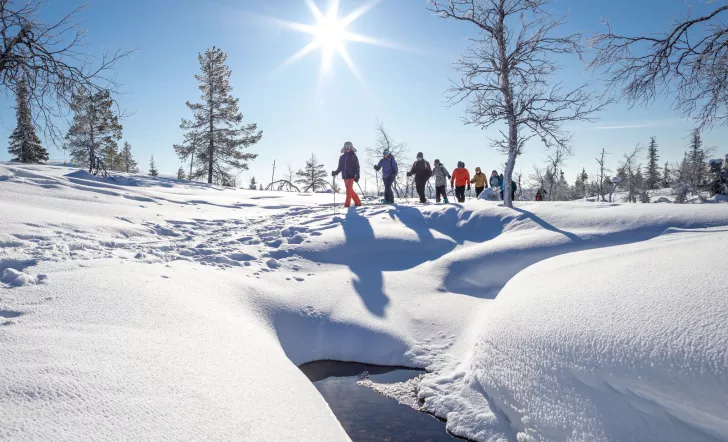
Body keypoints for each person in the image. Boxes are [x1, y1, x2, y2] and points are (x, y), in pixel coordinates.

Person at [331, 141, 361, 207]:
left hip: (351, 176)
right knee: (350, 191)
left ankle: (347, 206)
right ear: (344, 148)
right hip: (345, 176)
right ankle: (358, 202)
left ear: (351, 148)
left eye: (349, 147)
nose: (347, 148)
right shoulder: (342, 157)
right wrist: (335, 172)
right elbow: (340, 167)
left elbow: (357, 167)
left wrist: (357, 176)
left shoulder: (354, 156)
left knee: (348, 192)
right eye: (346, 147)